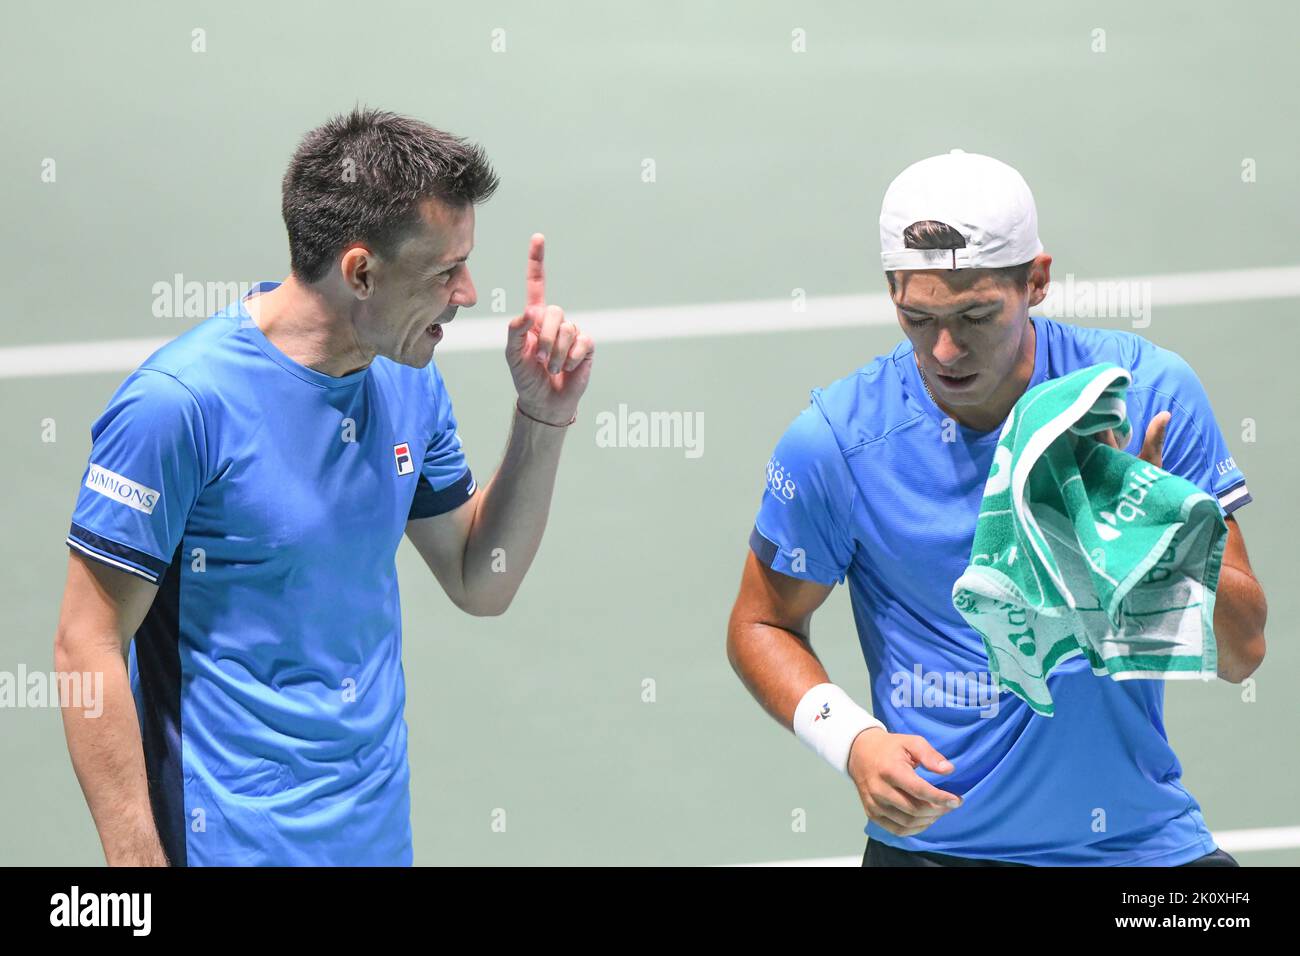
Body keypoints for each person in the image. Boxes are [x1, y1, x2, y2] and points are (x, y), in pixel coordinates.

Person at [54, 107, 593, 866]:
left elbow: (480, 578)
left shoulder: (408, 383)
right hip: (227, 843)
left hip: (372, 839)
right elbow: (87, 646)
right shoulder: (180, 407)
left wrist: (541, 418)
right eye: (445, 270)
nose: (468, 293)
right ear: (361, 272)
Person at [727, 149, 1266, 867]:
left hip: (1139, 849)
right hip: (935, 852)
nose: (944, 351)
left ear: (1037, 281)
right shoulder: (837, 444)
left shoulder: (1145, 398)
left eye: (976, 315)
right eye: (916, 317)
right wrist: (850, 739)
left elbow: (1242, 653)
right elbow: (761, 621)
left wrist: (1162, 550)